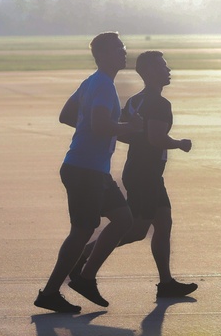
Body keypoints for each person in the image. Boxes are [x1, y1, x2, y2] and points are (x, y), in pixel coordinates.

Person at [74, 50, 197, 299]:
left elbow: (122, 133)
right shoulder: (160, 104)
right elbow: (156, 139)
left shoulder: (134, 101)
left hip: (142, 172)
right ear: (151, 72)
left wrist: (140, 139)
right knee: (136, 230)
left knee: (163, 223)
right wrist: (180, 143)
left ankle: (166, 283)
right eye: (163, 66)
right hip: (146, 176)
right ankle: (80, 260)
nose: (168, 70)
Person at [34, 32, 142, 313]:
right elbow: (99, 126)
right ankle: (50, 292)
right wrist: (126, 127)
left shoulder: (93, 82)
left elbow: (68, 115)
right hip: (85, 169)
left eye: (123, 47)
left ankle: (85, 277)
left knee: (122, 219)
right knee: (81, 231)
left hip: (92, 168)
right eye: (119, 48)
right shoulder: (103, 85)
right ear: (103, 55)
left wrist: (104, 128)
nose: (124, 52)